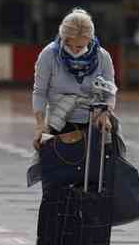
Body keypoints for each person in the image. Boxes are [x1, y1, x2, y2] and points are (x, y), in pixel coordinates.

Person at [32, 8, 116, 155]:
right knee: (43, 159)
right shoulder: (48, 55)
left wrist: (105, 114)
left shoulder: (103, 57)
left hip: (93, 119)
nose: (74, 51)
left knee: (107, 157)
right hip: (57, 121)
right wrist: (40, 124)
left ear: (89, 40)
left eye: (79, 47)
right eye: (69, 45)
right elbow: (39, 92)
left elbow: (110, 94)